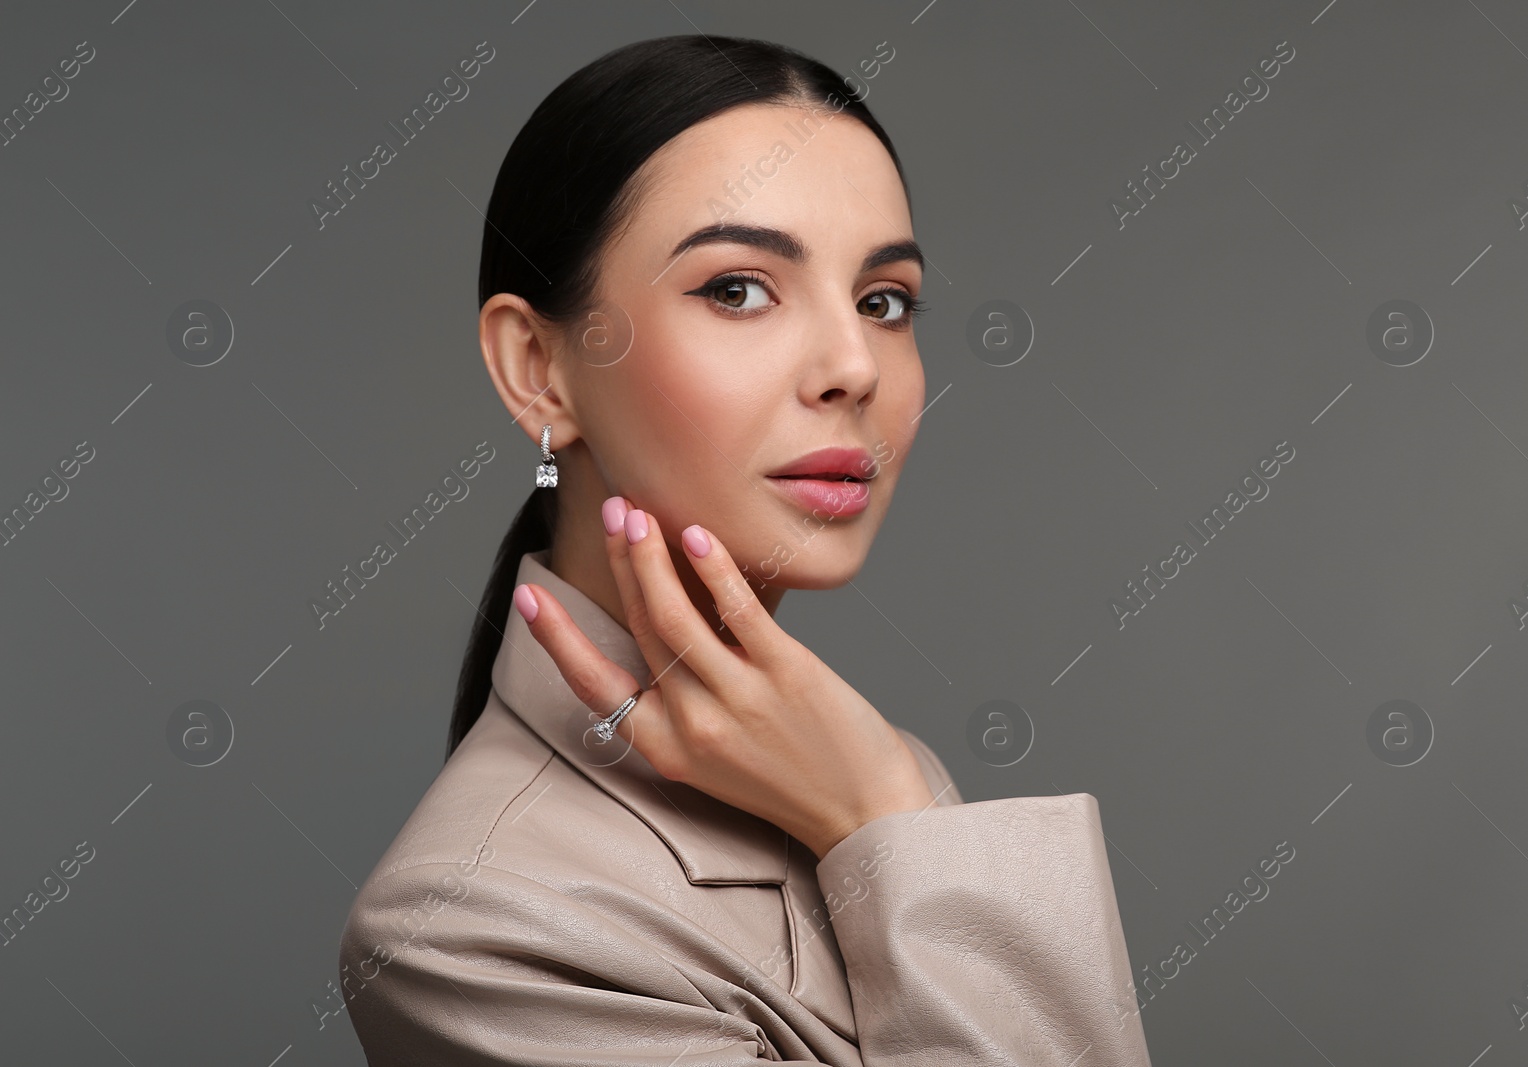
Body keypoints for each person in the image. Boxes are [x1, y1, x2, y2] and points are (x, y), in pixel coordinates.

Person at [338, 33, 1153, 1066]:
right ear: (539, 368)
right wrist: (879, 811)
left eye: (883, 300)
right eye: (737, 289)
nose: (853, 364)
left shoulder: (874, 775)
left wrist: (882, 808)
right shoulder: (473, 928)